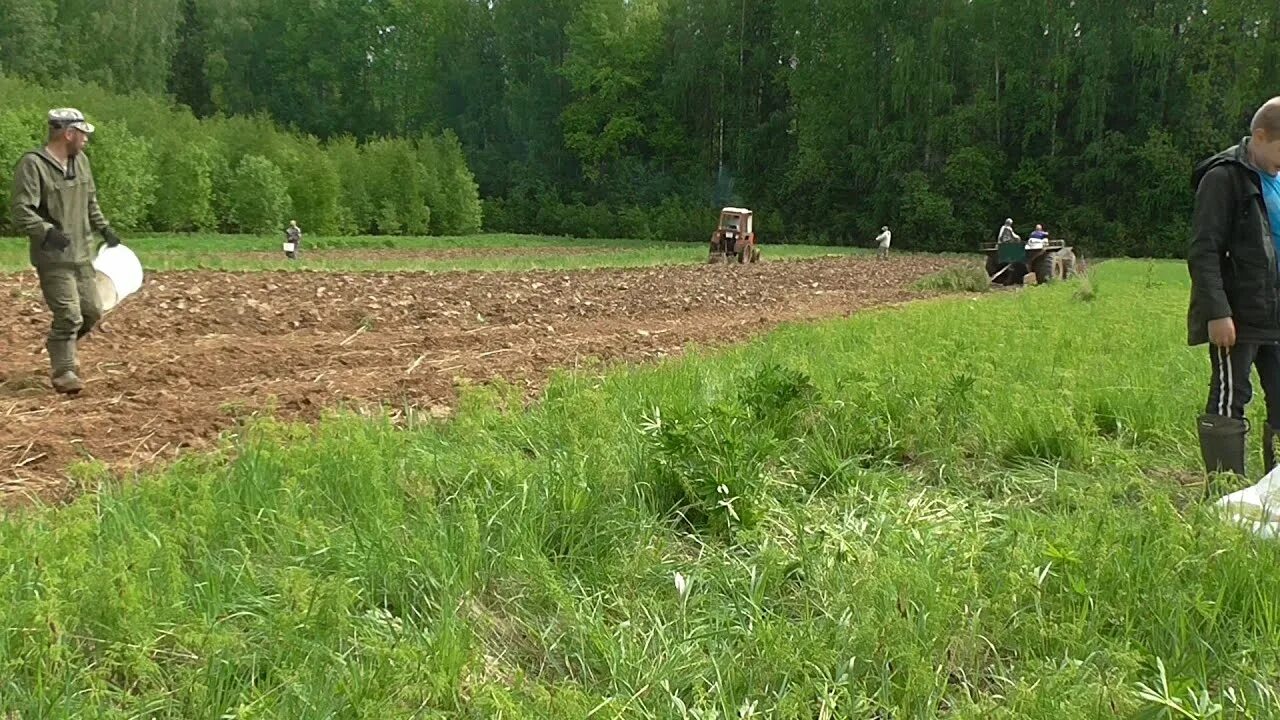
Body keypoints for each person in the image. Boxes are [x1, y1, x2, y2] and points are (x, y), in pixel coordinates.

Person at [1187, 96, 1280, 478]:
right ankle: (1225, 489)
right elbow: (1203, 250)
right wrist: (1218, 312)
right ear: (1260, 136)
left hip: (1275, 313)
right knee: (1230, 396)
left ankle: (1273, 489)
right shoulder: (1223, 177)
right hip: (1237, 315)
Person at [9, 108, 121, 395]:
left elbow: (90, 201)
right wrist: (46, 232)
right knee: (69, 315)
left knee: (92, 312)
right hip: (53, 258)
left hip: (83, 255)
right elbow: (22, 211)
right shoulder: (33, 165)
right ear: (68, 134)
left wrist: (105, 229)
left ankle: (60, 344)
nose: (85, 140)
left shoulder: (81, 161)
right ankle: (64, 371)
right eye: (82, 134)